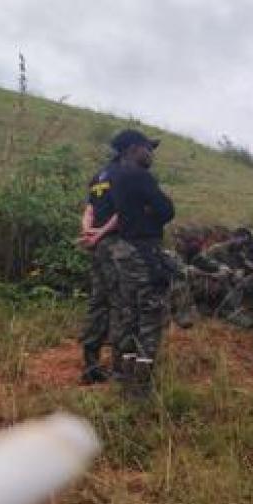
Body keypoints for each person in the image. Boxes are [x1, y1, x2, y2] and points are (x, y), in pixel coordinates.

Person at [109, 129, 175, 396]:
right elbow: (166, 210)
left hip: (124, 249)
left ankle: (125, 379)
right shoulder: (140, 176)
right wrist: (153, 209)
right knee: (150, 315)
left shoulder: (115, 175)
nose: (151, 154)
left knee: (129, 314)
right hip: (143, 251)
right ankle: (141, 388)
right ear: (134, 149)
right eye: (149, 148)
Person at [77, 149, 123, 383]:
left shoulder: (98, 176)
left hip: (96, 245)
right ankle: (118, 368)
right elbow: (122, 212)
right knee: (119, 304)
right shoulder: (125, 175)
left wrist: (88, 232)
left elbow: (90, 210)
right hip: (115, 245)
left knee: (98, 301)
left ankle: (90, 365)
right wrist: (101, 233)